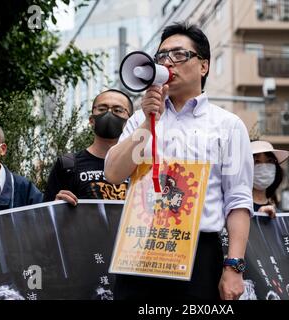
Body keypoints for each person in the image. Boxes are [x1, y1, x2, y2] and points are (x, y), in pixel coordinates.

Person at [104, 22, 253, 300]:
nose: (168, 62)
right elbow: (113, 173)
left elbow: (238, 200)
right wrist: (148, 123)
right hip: (140, 247)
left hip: (198, 252)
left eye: (179, 55)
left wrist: (234, 266)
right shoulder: (140, 119)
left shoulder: (228, 126)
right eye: (161, 56)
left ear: (204, 66)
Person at [44, 89, 133, 205]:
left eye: (118, 110)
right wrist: (56, 206)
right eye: (102, 109)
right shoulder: (67, 166)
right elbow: (45, 217)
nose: (109, 114)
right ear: (91, 120)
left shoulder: (140, 167)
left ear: (130, 121)